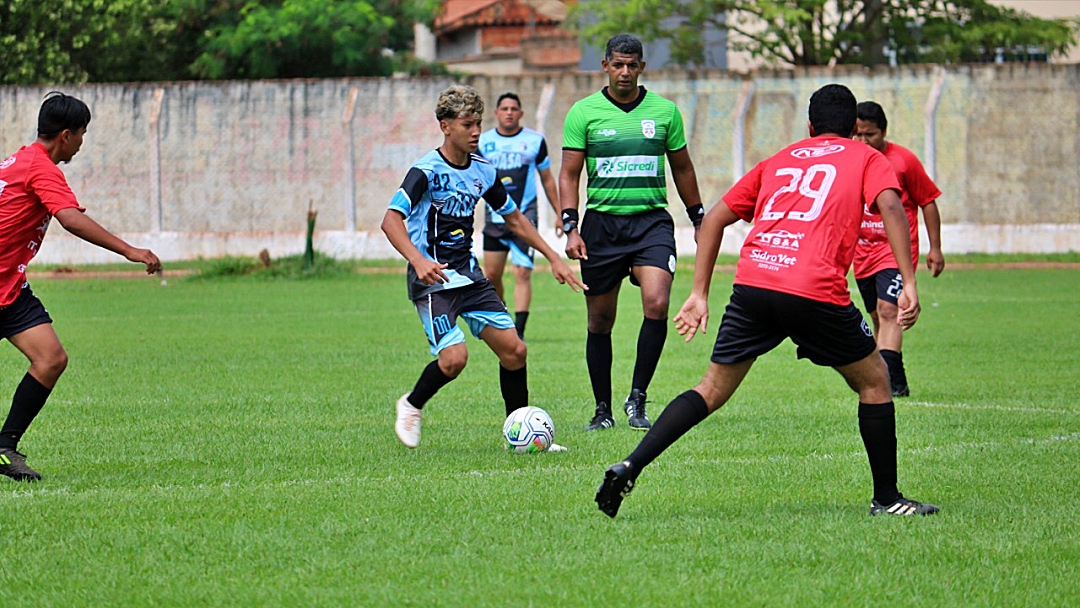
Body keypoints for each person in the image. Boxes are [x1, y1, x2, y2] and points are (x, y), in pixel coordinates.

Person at [594, 84, 940, 518]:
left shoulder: (780, 159)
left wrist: (699, 293)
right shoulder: (867, 156)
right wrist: (909, 280)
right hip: (813, 287)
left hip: (755, 282)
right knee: (875, 382)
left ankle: (630, 464)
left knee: (711, 389)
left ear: (809, 126)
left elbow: (715, 218)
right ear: (855, 127)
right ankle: (887, 499)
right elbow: (890, 205)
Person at [381, 84, 586, 450]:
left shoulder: (482, 171)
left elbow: (515, 219)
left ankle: (520, 434)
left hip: (470, 277)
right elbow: (391, 220)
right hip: (434, 280)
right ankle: (412, 404)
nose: (476, 132)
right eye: (467, 124)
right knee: (454, 360)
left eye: (478, 123)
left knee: (515, 351)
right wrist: (418, 260)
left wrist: (554, 257)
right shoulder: (424, 172)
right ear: (445, 126)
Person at [0, 92, 162, 482]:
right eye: (83, 134)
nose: (83, 142)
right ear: (67, 135)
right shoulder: (41, 168)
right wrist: (129, 250)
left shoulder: (20, 160)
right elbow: (70, 219)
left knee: (51, 358)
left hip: (9, 286)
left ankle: (4, 448)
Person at [559, 33, 704, 432]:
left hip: (650, 223)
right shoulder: (583, 113)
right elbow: (569, 173)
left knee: (657, 303)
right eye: (617, 64)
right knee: (600, 321)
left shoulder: (664, 112)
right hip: (601, 226)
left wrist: (698, 218)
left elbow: (683, 168)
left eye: (632, 65)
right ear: (604, 66)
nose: (625, 72)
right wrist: (570, 226)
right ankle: (602, 409)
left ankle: (637, 398)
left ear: (642, 68)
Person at [853, 101, 945, 397]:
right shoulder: (853, 160)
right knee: (878, 319)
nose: (865, 141)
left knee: (888, 309)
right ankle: (896, 379)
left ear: (884, 132)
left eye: (871, 135)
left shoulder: (904, 161)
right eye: (859, 135)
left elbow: (928, 201)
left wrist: (936, 248)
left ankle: (888, 385)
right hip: (862, 253)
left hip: (895, 252)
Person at [478, 92, 561, 339]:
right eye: (504, 108)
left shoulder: (535, 141)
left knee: (522, 272)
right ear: (496, 113)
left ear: (521, 113)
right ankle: (504, 318)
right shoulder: (483, 142)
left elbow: (547, 179)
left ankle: (520, 331)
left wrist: (559, 214)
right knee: (492, 276)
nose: (509, 112)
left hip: (525, 216)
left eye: (514, 108)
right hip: (494, 218)